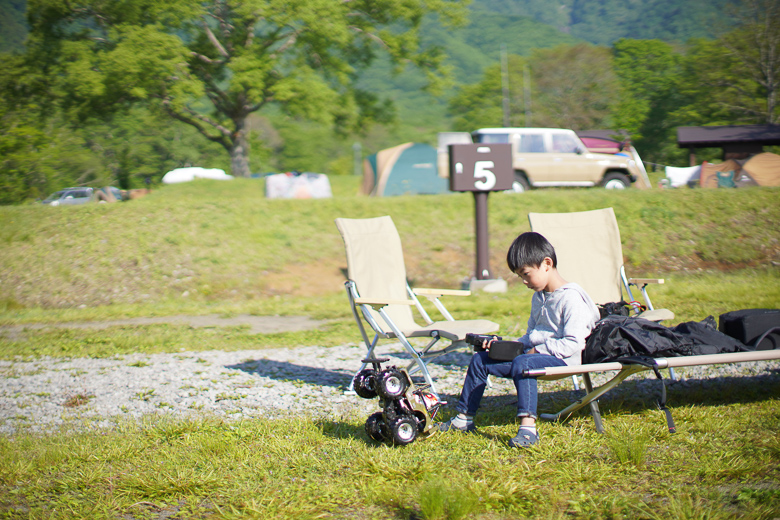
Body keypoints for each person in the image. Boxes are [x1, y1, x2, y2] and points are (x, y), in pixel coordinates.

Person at [439, 231, 600, 447]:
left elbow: (573, 343)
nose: (524, 281)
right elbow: (531, 336)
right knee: (481, 360)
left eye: (526, 274)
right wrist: (504, 347)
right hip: (531, 358)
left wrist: (536, 352)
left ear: (546, 263)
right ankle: (463, 419)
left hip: (563, 359)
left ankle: (528, 429)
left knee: (523, 362)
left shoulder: (571, 298)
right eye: (520, 277)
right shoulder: (539, 297)